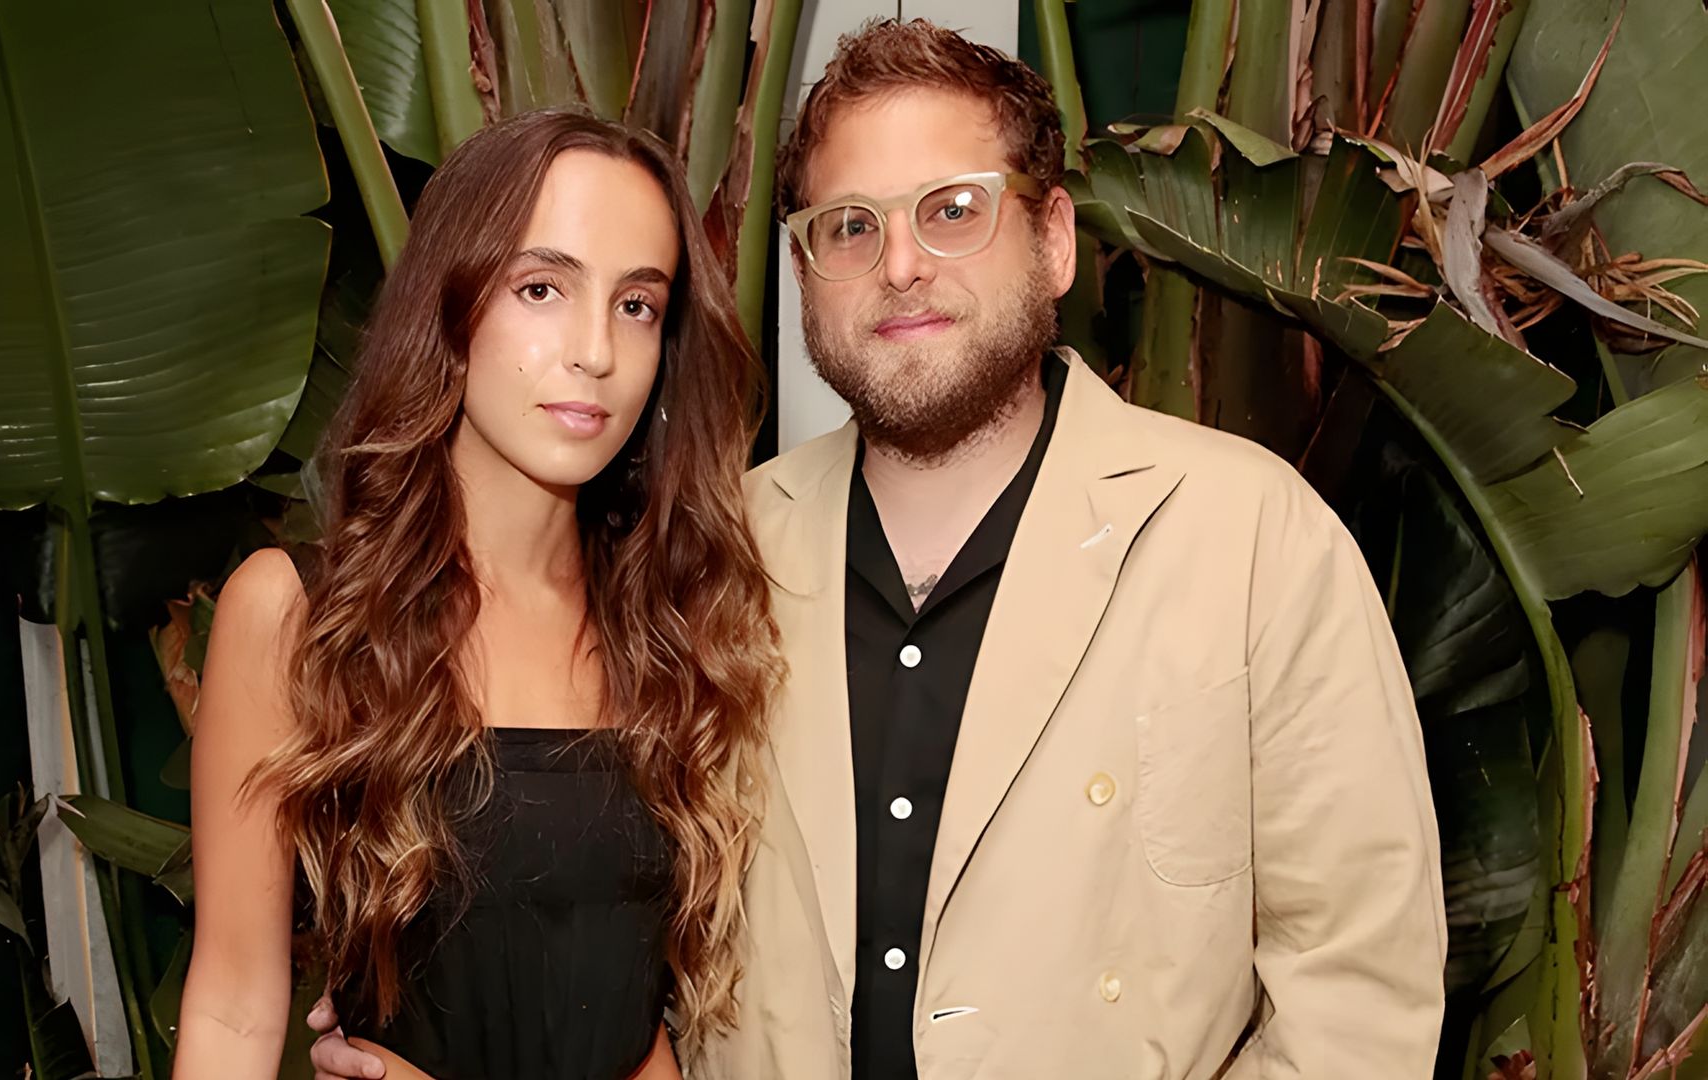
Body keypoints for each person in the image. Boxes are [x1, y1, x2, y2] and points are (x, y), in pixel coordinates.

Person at [315, 18, 1447, 1080]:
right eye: (850, 226)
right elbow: (594, 925)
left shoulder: (1251, 538)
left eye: (953, 209)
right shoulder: (704, 558)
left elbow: (1357, 997)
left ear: (1053, 239)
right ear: (805, 272)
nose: (900, 265)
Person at [177, 107, 782, 1080]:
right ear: (450, 304)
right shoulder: (301, 617)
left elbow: (639, 1032)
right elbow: (236, 1009)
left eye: (637, 305)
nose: (595, 350)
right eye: (542, 287)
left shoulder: (672, 624)